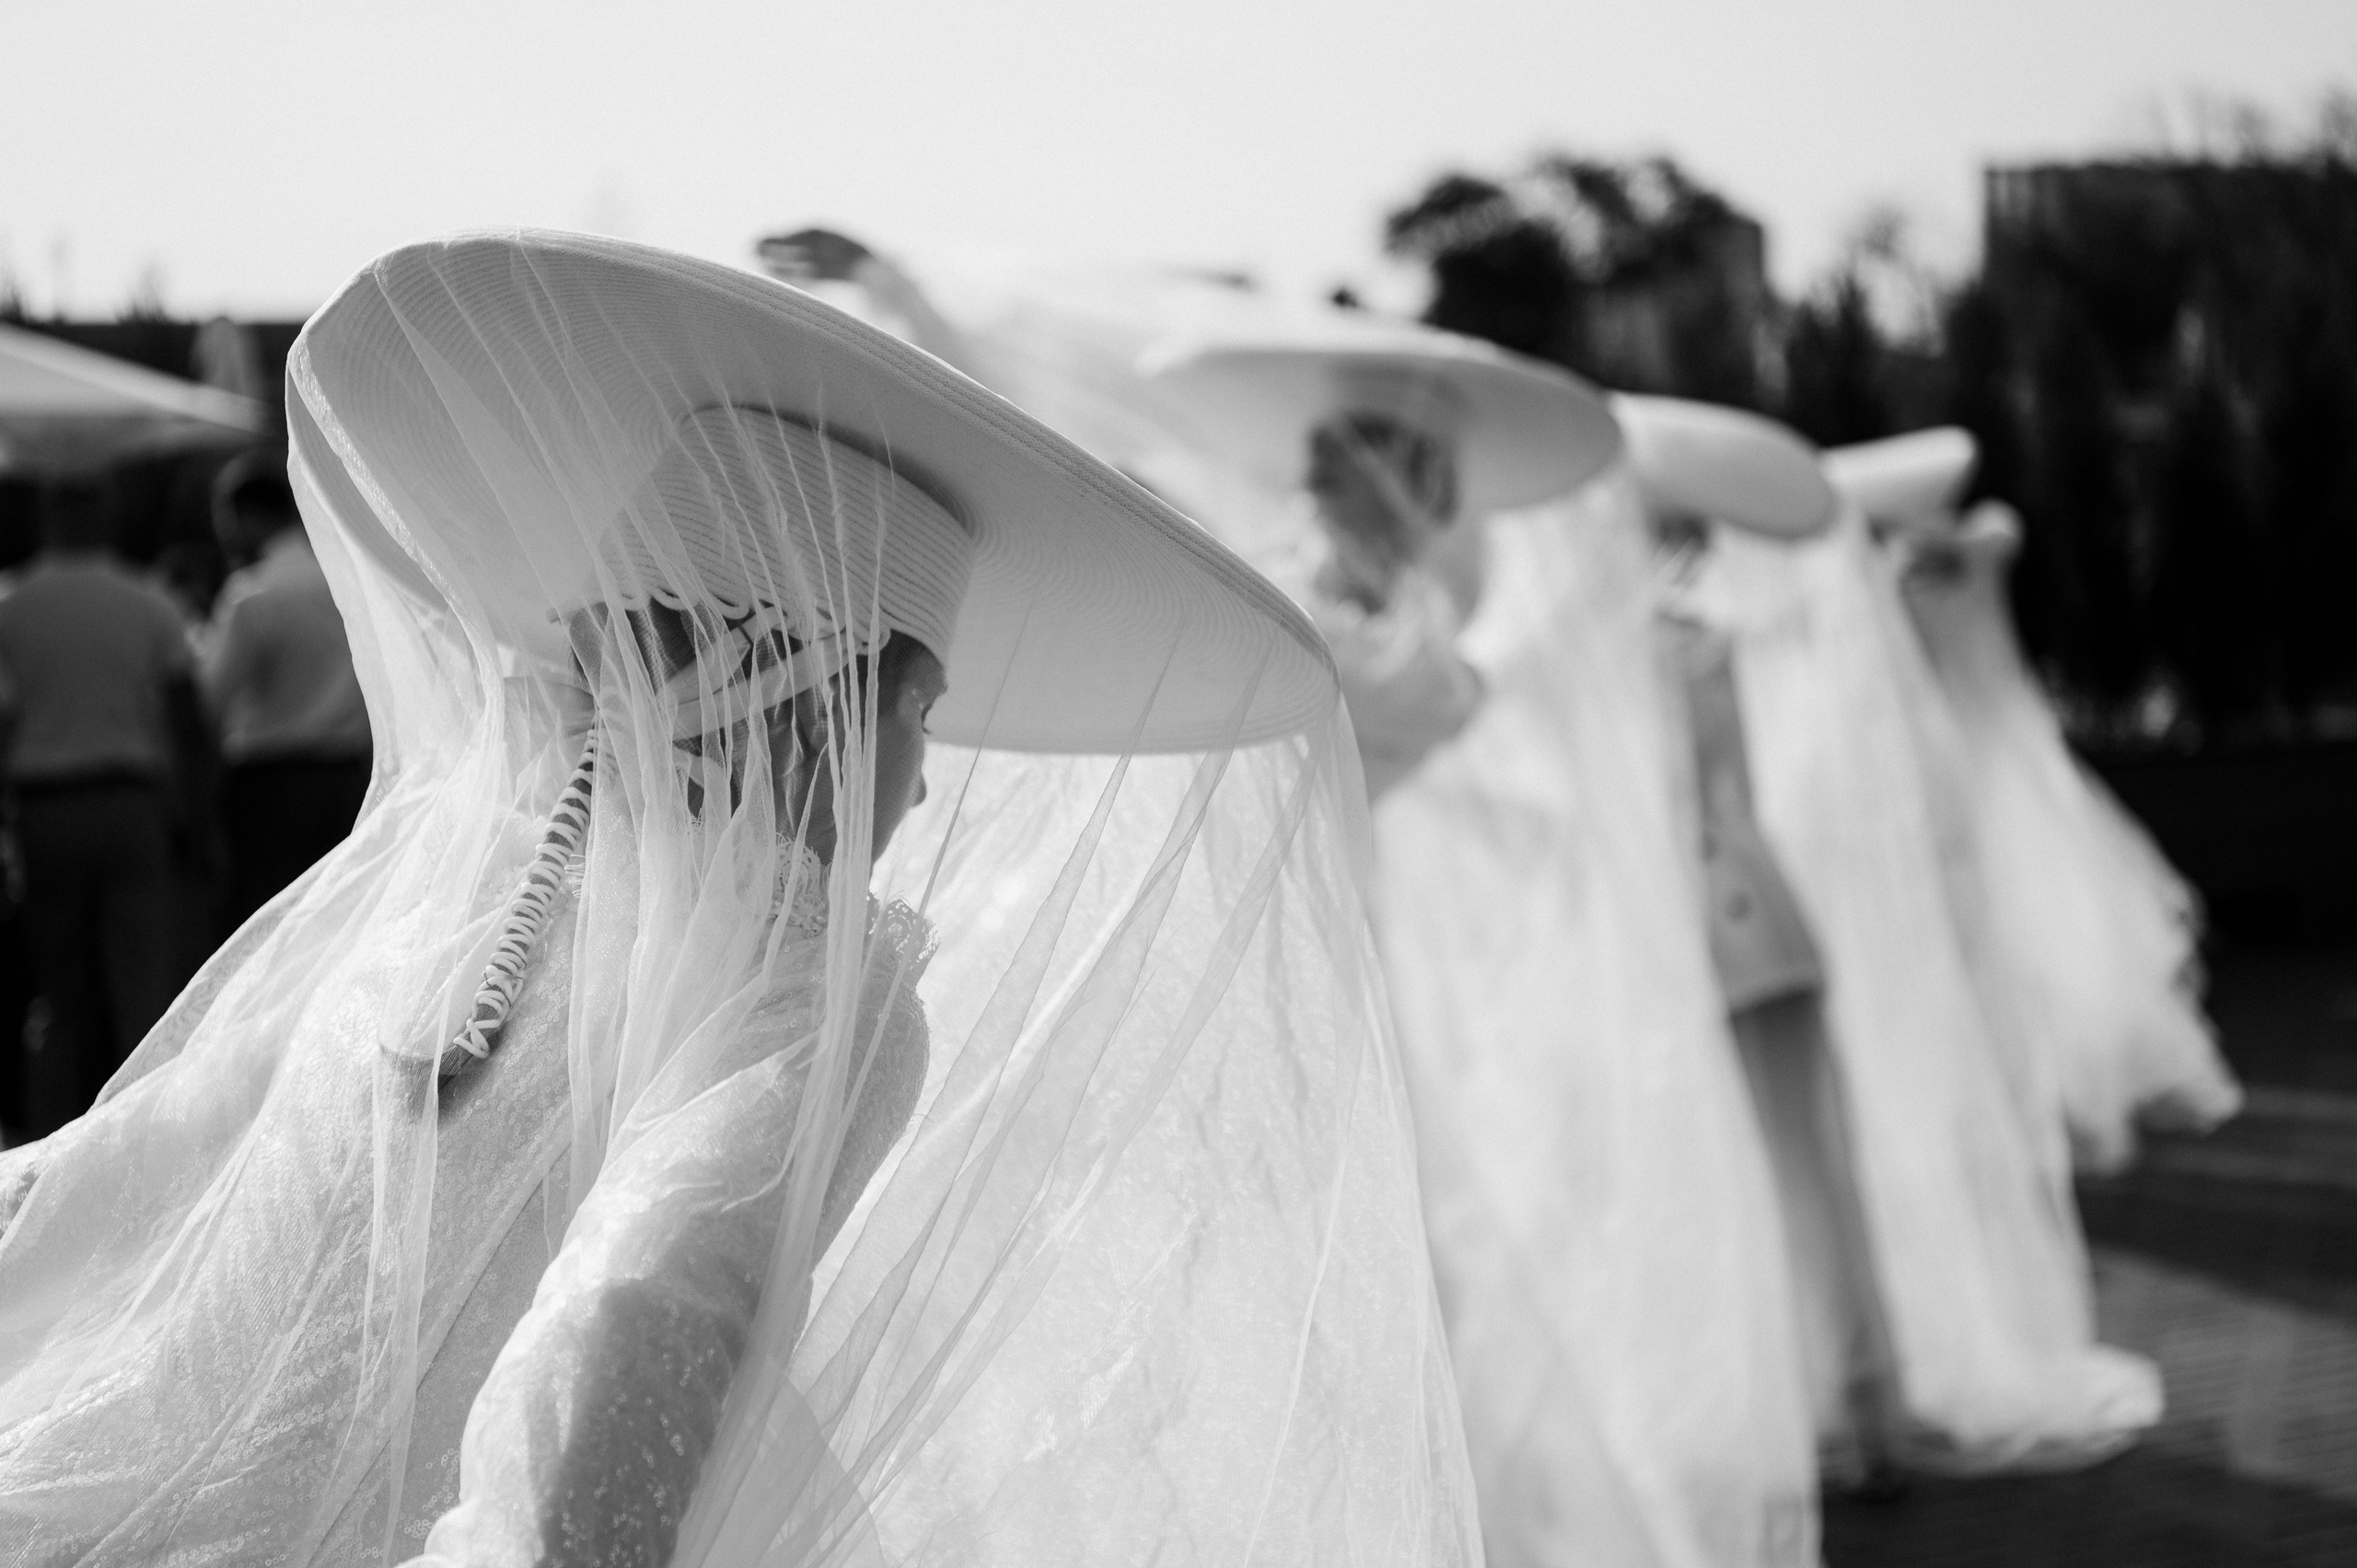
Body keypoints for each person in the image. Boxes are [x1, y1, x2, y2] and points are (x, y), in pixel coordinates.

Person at [0, 231, 1476, 1567]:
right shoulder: (808, 986)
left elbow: (99, 1185)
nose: (921, 782)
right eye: (925, 712)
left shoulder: (469, 895)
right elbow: (631, 1343)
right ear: (853, 705)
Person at [1693, 417, 2164, 1479]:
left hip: (1769, 908)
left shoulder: (1742, 634)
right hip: (1797, 902)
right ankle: (1868, 1363)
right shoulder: (1794, 632)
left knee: (1832, 1139)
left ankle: (1862, 1366)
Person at [1829, 431, 2241, 1172]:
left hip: (1988, 744)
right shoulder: (1901, 562)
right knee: (1999, 922)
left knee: (2033, 914)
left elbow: (1990, 528)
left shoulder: (1970, 540)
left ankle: (2053, 1083)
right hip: (1954, 750)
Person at [0, 478, 205, 1135]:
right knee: (140, 980)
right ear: (107, 518)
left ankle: (49, 1139)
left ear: (48, 519)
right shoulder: (147, 600)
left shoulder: (15, 604)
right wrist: (197, 815)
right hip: (130, 803)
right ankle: (147, 1133)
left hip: (45, 809)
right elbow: (187, 718)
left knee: (62, 993)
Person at [203, 452, 374, 926]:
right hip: (347, 778)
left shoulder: (252, 594)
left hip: (270, 787)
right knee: (341, 919)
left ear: (246, 516)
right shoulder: (347, 579)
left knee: (271, 923)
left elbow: (209, 699)